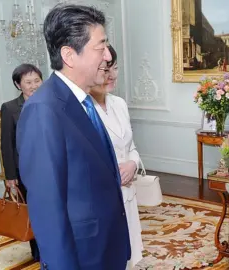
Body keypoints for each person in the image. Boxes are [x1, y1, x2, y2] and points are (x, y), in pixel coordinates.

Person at [16, 4, 131, 269]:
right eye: (100, 47)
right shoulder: (43, 110)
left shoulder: (82, 101)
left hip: (104, 247)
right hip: (81, 255)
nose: (107, 56)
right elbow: (48, 209)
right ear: (69, 54)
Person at [90, 45, 144, 269]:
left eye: (115, 68)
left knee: (130, 256)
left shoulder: (119, 104)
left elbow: (131, 146)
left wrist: (133, 163)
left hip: (128, 195)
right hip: (103, 199)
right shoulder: (84, 109)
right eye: (105, 68)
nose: (111, 74)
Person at [0, 63, 43, 262]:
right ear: (18, 85)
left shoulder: (48, 103)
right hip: (24, 170)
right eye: (28, 82)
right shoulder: (9, 109)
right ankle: (38, 251)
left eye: (37, 80)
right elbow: (6, 145)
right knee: (33, 212)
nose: (34, 86)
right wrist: (10, 177)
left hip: (48, 167)